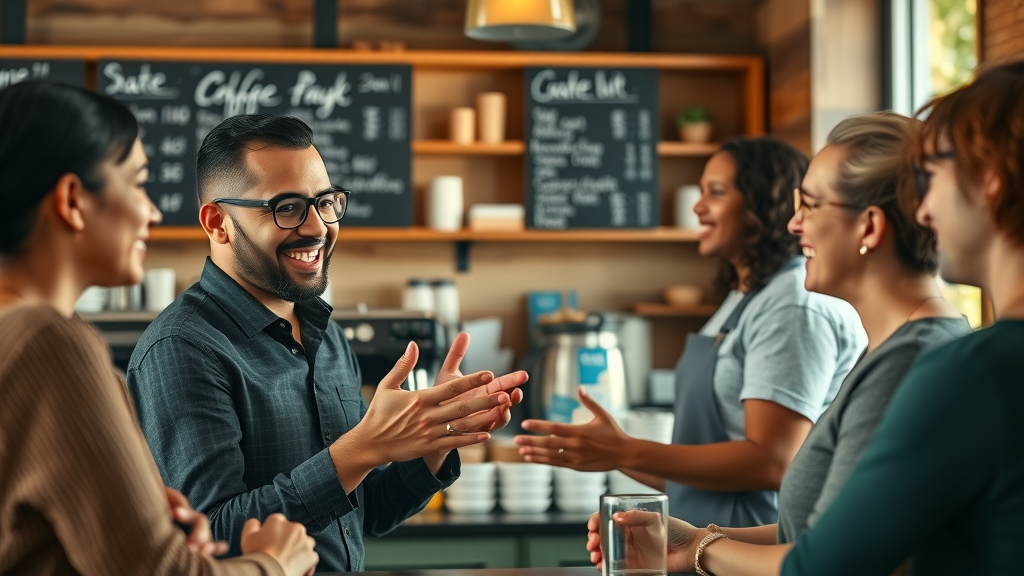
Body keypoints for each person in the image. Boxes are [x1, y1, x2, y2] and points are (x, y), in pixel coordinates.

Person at [126, 114, 527, 572]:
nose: (317, 227)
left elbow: (364, 513)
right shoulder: (181, 349)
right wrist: (364, 449)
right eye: (287, 207)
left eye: (325, 202)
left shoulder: (327, 336)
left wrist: (433, 442)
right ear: (218, 222)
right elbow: (208, 539)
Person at [584, 111, 975, 575]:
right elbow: (817, 532)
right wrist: (690, 539)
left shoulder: (907, 361)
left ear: (869, 227)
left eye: (810, 205)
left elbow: (831, 564)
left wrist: (698, 552)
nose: (793, 225)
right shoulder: (896, 351)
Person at [0, 82, 318, 576]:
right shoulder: (49, 341)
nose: (152, 211)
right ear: (72, 200)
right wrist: (273, 562)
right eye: (138, 183)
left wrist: (142, 518)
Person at [516, 136, 866, 528]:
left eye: (715, 193)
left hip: (756, 545)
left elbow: (774, 461)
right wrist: (612, 454)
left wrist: (628, 450)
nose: (697, 207)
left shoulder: (792, 305)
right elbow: (700, 475)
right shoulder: (745, 299)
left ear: (764, 204)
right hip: (710, 543)